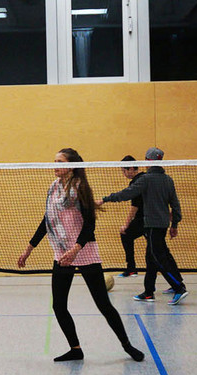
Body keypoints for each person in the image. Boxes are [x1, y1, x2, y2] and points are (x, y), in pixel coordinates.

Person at [17, 148, 145, 363]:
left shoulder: (81, 188)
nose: (55, 165)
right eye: (54, 161)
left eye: (60, 162)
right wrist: (29, 248)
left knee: (103, 304)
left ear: (72, 166)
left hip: (84, 251)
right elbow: (47, 220)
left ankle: (127, 345)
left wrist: (76, 249)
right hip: (62, 252)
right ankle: (75, 349)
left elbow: (89, 224)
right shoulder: (53, 188)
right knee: (59, 305)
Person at [97, 147, 188, 305]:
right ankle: (148, 292)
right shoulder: (168, 180)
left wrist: (105, 199)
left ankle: (179, 287)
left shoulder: (146, 179)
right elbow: (175, 205)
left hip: (152, 225)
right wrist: (174, 225)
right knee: (151, 258)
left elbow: (127, 193)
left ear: (147, 161)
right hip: (163, 225)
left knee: (158, 258)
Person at [117, 156, 143, 278]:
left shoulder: (136, 183)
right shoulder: (145, 178)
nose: (124, 174)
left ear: (131, 168)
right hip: (149, 219)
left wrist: (126, 224)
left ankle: (131, 268)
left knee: (126, 233)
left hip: (145, 219)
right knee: (159, 250)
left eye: (124, 171)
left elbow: (135, 206)